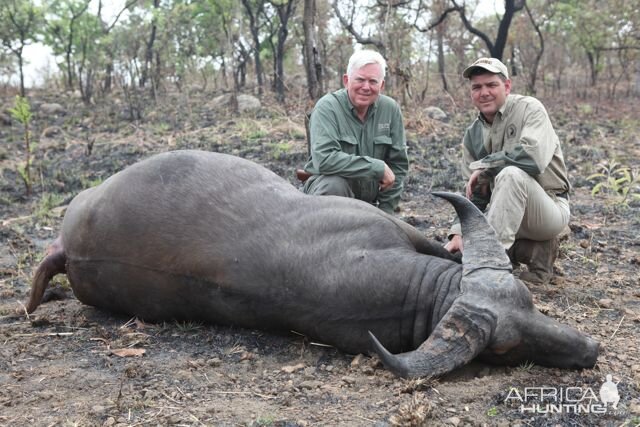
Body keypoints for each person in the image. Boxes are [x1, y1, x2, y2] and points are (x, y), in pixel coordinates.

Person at [444, 57, 570, 285]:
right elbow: (477, 196)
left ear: (507, 86)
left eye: (491, 85)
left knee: (510, 175)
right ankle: (527, 252)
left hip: (548, 207)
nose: (484, 92)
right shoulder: (473, 134)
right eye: (477, 87)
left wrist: (487, 165)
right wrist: (458, 231)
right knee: (464, 244)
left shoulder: (530, 108)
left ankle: (489, 267)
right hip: (506, 212)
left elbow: (533, 159)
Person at [301, 49, 409, 214]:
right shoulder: (327, 107)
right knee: (334, 185)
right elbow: (324, 159)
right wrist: (376, 168)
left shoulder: (390, 109)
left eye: (373, 81)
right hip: (329, 200)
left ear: (382, 85)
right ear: (346, 80)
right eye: (360, 79)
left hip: (371, 204)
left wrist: (387, 213)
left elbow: (398, 166)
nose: (366, 87)